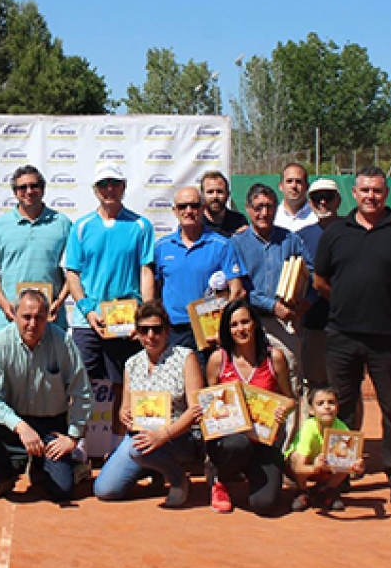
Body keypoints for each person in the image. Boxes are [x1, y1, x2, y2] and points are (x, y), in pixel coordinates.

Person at [314, 166, 391, 505]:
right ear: (355, 193)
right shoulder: (336, 232)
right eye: (365, 190)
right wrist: (347, 304)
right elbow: (320, 281)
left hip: (388, 337)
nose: (371, 196)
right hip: (342, 336)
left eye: (377, 190)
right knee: (342, 408)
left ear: (386, 193)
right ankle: (339, 475)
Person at [0, 289, 93, 503]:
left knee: (62, 491)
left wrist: (73, 437)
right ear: (14, 314)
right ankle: (3, 477)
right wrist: (20, 426)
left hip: (51, 425)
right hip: (13, 424)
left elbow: (82, 392)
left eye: (39, 317)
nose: (32, 324)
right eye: (26, 317)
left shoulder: (63, 343)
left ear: (48, 317)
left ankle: (60, 467)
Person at [65, 164, 153, 433]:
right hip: (87, 320)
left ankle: (118, 447)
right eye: (103, 184)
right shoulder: (81, 227)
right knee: (78, 383)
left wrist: (145, 317)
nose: (109, 189)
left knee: (123, 385)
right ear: (95, 190)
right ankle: (75, 443)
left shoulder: (141, 226)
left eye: (114, 183)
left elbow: (146, 271)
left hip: (126, 321)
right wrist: (88, 310)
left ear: (124, 187)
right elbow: (72, 274)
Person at [93, 300, 204, 507]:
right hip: (141, 437)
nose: (151, 336)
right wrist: (124, 414)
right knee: (104, 490)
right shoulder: (132, 363)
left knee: (139, 450)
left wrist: (163, 435)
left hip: (178, 437)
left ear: (167, 330)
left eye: (157, 329)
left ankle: (178, 477)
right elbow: (125, 407)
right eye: (144, 330)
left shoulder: (185, 358)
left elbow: (196, 410)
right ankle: (153, 467)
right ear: (137, 332)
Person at [205, 299, 294, 516]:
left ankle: (255, 476)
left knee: (265, 504)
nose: (240, 329)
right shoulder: (219, 359)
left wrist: (284, 410)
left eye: (245, 322)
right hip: (230, 440)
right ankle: (221, 480)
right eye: (234, 325)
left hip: (264, 440)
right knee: (238, 444)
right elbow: (208, 403)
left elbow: (290, 398)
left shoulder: (275, 358)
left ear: (255, 324)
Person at [231, 183, 314, 394]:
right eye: (258, 207)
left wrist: (303, 305)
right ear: (248, 209)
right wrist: (272, 306)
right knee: (253, 381)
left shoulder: (291, 240)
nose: (264, 213)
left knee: (291, 379)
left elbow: (312, 276)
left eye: (269, 206)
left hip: (285, 324)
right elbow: (240, 287)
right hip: (248, 323)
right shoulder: (236, 244)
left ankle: (292, 426)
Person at [0, 165, 72, 331]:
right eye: (22, 187)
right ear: (15, 192)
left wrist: (59, 302)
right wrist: (4, 304)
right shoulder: (0, 225)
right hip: (8, 321)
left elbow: (74, 272)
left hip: (50, 320)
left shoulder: (62, 223)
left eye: (34, 186)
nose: (29, 191)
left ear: (43, 189)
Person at [154, 185, 245, 351]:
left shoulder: (223, 245)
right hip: (174, 331)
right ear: (175, 211)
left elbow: (237, 291)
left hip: (211, 330)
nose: (188, 211)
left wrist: (223, 328)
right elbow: (155, 290)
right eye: (182, 206)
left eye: (194, 205)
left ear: (203, 209)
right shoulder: (161, 247)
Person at [285, 385, 364, 512]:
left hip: (326, 469)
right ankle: (302, 491)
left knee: (346, 458)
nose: (327, 407)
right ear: (311, 410)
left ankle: (325, 490)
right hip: (301, 469)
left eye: (331, 402)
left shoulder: (342, 428)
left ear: (337, 408)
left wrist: (356, 467)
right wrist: (314, 468)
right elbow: (298, 467)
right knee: (295, 457)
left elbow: (352, 462)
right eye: (320, 403)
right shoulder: (308, 428)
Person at [295, 178, 343, 390]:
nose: (323, 202)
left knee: (347, 386)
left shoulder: (355, 231)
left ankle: (350, 426)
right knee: (315, 385)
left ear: (338, 200)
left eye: (328, 197)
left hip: (349, 325)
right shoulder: (300, 237)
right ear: (311, 203)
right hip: (314, 324)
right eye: (317, 198)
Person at [200, 170, 247, 237]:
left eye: (219, 192)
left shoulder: (239, 221)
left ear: (228, 194)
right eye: (210, 192)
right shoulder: (196, 223)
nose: (215, 196)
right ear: (202, 195)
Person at [274, 162, 317, 232]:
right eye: (289, 181)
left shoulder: (317, 216)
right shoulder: (272, 216)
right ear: (280, 186)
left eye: (298, 181)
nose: (294, 186)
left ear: (307, 186)